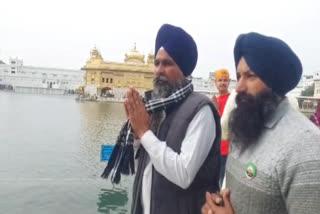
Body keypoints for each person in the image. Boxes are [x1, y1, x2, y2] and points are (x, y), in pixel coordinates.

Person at [202, 32, 320, 214]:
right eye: (239, 76)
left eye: (250, 76)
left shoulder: (307, 149)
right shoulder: (245, 127)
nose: (239, 87)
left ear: (274, 81)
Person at [124, 24, 221, 214]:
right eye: (157, 63)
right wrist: (137, 135)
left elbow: (183, 174)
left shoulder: (200, 110)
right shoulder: (157, 106)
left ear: (183, 69)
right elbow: (145, 168)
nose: (159, 69)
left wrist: (144, 132)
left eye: (167, 64)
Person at [212, 69, 231, 187]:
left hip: (229, 149)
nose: (222, 83)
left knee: (224, 183)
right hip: (217, 149)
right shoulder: (215, 101)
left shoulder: (233, 100)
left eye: (225, 80)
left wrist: (217, 110)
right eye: (220, 80)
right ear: (215, 82)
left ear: (229, 82)